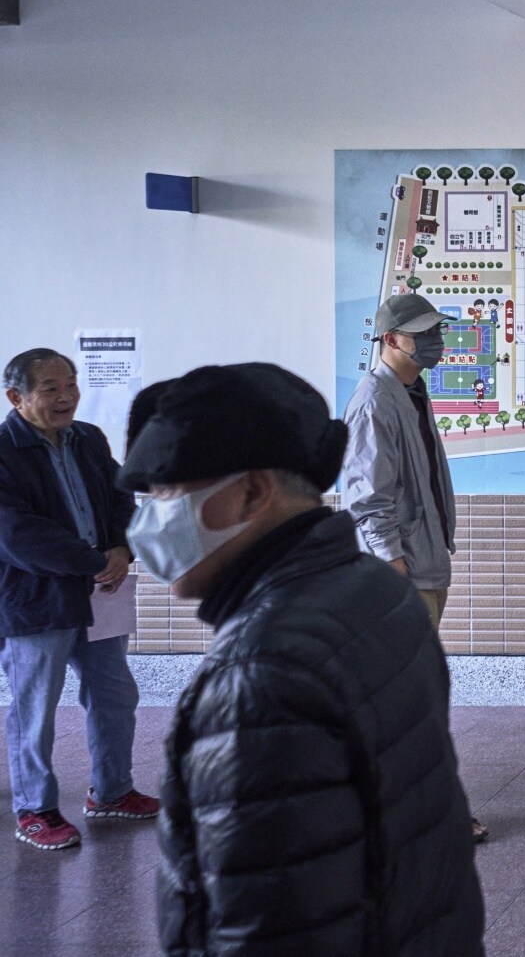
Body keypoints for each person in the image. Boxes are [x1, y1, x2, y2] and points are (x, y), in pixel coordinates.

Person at [122, 363, 483, 952]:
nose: (149, 521)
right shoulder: (376, 591)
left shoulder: (262, 674)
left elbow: (267, 921)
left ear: (253, 491)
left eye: (167, 494)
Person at [341, 292, 486, 843]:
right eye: (423, 333)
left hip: (422, 565)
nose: (436, 341)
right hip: (399, 574)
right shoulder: (375, 401)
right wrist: (392, 567)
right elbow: (366, 497)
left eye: (436, 331)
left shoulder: (410, 391)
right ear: (391, 340)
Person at [0, 348, 156, 851]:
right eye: (50, 388)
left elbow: (119, 496)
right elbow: (17, 533)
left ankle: (111, 790)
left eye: (70, 383)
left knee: (114, 693)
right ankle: (35, 809)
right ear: (16, 397)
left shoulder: (88, 438)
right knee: (35, 708)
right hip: (37, 599)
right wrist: (92, 561)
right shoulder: (4, 451)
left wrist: (121, 545)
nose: (66, 395)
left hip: (100, 593)